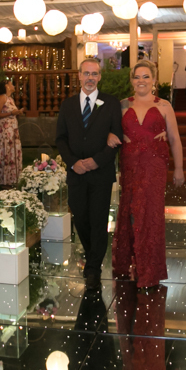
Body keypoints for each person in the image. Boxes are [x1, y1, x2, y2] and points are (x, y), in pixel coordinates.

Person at [110, 59, 184, 288]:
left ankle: (149, 270)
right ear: (131, 80)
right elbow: (107, 130)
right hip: (130, 166)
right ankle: (130, 263)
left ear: (154, 80)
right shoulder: (122, 105)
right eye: (137, 77)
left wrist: (179, 168)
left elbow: (174, 139)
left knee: (150, 215)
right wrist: (113, 136)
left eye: (145, 77)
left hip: (154, 168)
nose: (141, 81)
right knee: (130, 211)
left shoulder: (164, 106)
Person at [56, 57, 124, 279]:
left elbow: (117, 137)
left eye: (94, 74)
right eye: (86, 73)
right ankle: (91, 252)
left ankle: (94, 266)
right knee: (80, 217)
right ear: (79, 76)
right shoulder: (67, 105)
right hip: (76, 173)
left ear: (100, 77)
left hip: (100, 173)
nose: (90, 78)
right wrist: (73, 162)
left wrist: (96, 161)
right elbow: (61, 138)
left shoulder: (111, 103)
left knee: (98, 219)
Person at [0, 80, 24, 187]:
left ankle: (12, 179)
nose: (13, 86)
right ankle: (3, 181)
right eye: (11, 84)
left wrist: (17, 113)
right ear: (6, 86)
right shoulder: (1, 97)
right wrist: (11, 113)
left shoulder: (10, 99)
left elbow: (11, 113)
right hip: (4, 131)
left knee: (12, 153)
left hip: (12, 130)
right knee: (5, 152)